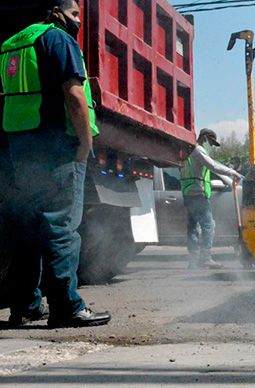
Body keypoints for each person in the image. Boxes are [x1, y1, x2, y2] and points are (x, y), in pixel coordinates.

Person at [0, 0, 111, 327]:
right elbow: (75, 96)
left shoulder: (9, 46)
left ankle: (25, 306)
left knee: (26, 230)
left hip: (21, 152)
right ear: (55, 12)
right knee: (61, 228)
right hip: (56, 149)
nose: (78, 20)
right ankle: (67, 307)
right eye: (75, 14)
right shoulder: (58, 39)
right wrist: (85, 143)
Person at [180, 128, 242, 269]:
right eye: (211, 142)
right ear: (205, 138)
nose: (212, 146)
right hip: (198, 194)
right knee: (209, 226)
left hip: (188, 193)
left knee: (193, 228)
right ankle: (205, 258)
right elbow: (213, 166)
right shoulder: (197, 150)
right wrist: (234, 173)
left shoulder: (187, 152)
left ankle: (193, 261)